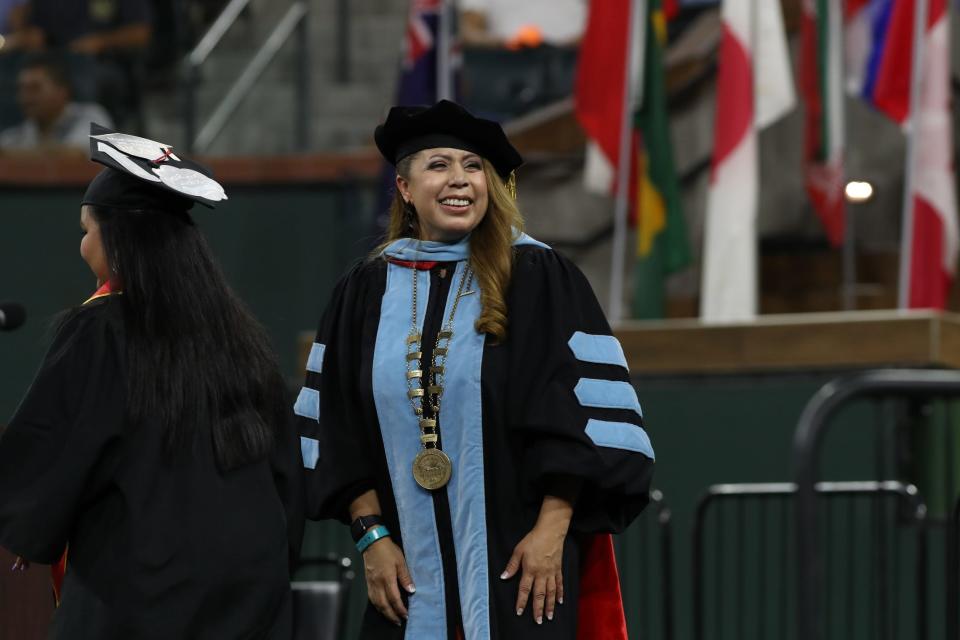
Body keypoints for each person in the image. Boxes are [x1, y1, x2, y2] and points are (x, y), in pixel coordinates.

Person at [296, 100, 654, 639]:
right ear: (404, 188)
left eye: (472, 165)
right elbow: (334, 428)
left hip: (525, 570)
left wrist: (551, 535)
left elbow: (589, 426)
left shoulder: (538, 277)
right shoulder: (364, 291)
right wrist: (371, 538)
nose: (459, 180)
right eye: (439, 165)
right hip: (406, 582)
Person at [0, 125, 304, 638]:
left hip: (140, 589)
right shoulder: (242, 338)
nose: (82, 246)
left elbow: (54, 449)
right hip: (248, 587)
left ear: (115, 238)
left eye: (86, 230)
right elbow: (285, 477)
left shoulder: (101, 329)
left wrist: (31, 527)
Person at [0, 53, 113, 154]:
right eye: (22, 89)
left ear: (62, 91)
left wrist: (10, 154)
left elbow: (76, 155)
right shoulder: (16, 135)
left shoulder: (91, 116)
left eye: (35, 88)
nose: (25, 97)